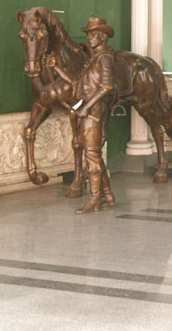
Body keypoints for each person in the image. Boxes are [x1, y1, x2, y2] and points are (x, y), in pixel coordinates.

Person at [50, 17, 117, 214]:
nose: (89, 37)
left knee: (91, 156)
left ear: (102, 36)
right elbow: (76, 82)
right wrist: (57, 68)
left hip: (94, 112)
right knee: (94, 154)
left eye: (92, 34)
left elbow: (107, 86)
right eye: (88, 34)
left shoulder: (104, 58)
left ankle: (95, 199)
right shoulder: (94, 58)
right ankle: (107, 194)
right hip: (89, 110)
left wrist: (87, 106)